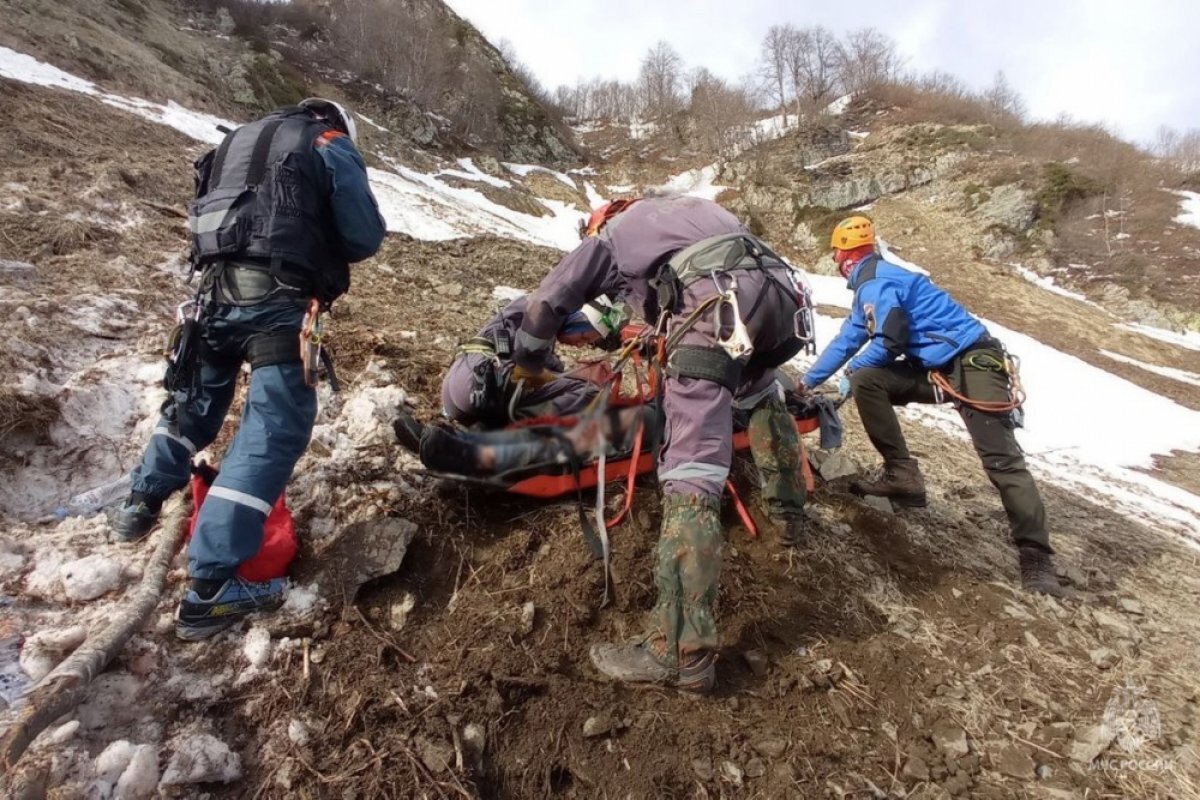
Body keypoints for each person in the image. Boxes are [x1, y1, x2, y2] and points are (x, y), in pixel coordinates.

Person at [509, 194, 815, 693]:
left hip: (715, 301)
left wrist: (529, 362)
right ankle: (789, 519)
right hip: (780, 298)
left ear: (599, 223)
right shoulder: (686, 211)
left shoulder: (609, 238)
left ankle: (679, 650)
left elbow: (548, 301)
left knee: (693, 465)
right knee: (761, 393)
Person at [113, 98, 386, 639]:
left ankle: (140, 501)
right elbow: (363, 236)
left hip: (211, 296)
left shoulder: (235, 142)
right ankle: (212, 584)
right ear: (336, 122)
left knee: (193, 402)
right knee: (272, 427)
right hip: (278, 301)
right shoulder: (328, 142)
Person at [800, 216, 1065, 597]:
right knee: (868, 380)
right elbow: (849, 338)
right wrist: (807, 382)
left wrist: (852, 370)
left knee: (1001, 460)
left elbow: (889, 341)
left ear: (844, 255)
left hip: (973, 363)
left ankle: (1036, 556)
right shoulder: (871, 286)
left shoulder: (878, 282)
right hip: (936, 369)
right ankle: (903, 477)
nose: (835, 261)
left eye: (836, 254)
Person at [437, 294, 627, 429]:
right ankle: (517, 433)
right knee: (589, 393)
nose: (579, 345)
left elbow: (547, 366)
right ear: (577, 319)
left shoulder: (533, 309)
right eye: (583, 336)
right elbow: (532, 368)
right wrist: (581, 378)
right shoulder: (543, 318)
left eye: (587, 343)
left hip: (455, 391)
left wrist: (574, 373)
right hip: (479, 393)